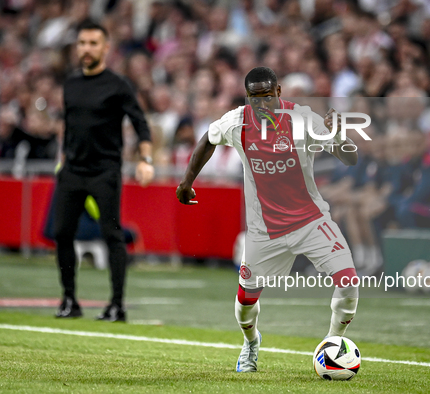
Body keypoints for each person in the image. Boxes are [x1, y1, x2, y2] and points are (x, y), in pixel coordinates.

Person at [176, 67, 359, 372]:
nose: (261, 105)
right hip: (265, 232)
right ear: (247, 97)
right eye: (254, 98)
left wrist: (339, 137)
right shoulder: (237, 121)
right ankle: (250, 343)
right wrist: (186, 182)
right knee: (245, 305)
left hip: (311, 222)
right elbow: (208, 139)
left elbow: (349, 158)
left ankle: (332, 345)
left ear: (278, 93)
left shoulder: (303, 120)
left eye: (266, 97)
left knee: (349, 282)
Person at [54, 20, 154, 322]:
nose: (86, 49)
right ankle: (69, 300)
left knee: (112, 234)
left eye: (93, 43)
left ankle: (116, 305)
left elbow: (140, 124)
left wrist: (145, 160)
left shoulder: (117, 85)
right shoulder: (70, 84)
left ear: (106, 48)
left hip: (105, 171)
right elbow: (70, 127)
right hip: (72, 170)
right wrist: (62, 160)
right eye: (82, 43)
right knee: (62, 234)